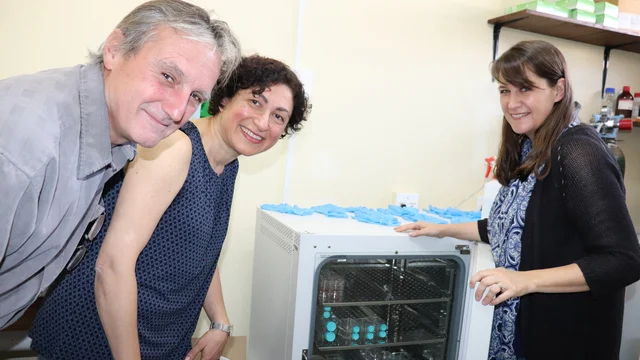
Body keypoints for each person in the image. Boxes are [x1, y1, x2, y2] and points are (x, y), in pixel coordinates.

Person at [29, 55, 311, 360]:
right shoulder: (176, 149)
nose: (262, 122)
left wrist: (220, 322)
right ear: (225, 98)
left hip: (160, 335)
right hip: (99, 333)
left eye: (279, 117)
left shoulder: (228, 165)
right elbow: (111, 266)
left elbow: (202, 251)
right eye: (256, 102)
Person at [0, 0, 241, 329]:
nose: (177, 111)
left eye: (196, 97)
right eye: (168, 76)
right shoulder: (25, 149)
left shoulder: (119, 139)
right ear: (114, 49)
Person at [395, 40, 640, 360]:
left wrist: (524, 280)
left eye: (525, 88)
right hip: (526, 333)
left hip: (567, 339)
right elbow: (514, 228)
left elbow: (623, 260)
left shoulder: (578, 151)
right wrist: (443, 230)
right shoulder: (532, 147)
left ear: (559, 90)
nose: (512, 103)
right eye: (504, 91)